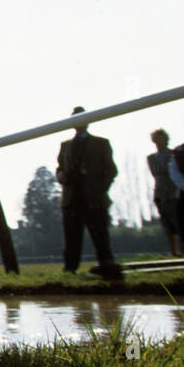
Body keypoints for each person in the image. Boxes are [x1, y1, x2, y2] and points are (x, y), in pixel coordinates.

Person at [56, 107, 121, 278]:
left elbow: (111, 170)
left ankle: (106, 265)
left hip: (94, 198)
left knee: (100, 235)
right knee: (71, 237)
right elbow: (60, 168)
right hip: (72, 198)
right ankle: (70, 269)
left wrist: (100, 191)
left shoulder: (101, 143)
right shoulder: (65, 146)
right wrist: (61, 176)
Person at [147, 128, 180, 256]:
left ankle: (181, 248)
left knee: (177, 219)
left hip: (174, 189)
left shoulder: (174, 154)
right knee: (166, 223)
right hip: (160, 192)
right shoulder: (151, 158)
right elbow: (156, 173)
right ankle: (173, 251)